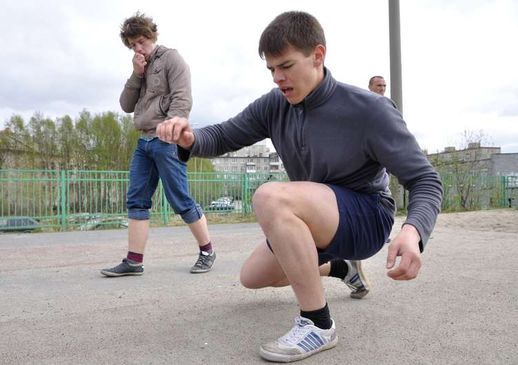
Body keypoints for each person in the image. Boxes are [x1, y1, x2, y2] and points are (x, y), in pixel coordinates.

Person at [157, 11, 442, 363]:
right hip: (314, 218)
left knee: (270, 196)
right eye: (271, 69)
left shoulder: (370, 110)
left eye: (286, 66)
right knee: (252, 277)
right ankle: (343, 269)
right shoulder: (275, 105)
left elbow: (425, 179)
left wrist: (413, 232)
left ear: (317, 56)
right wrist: (190, 137)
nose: (278, 78)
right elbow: (224, 134)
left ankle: (318, 324)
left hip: (367, 216)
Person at [101, 12, 216, 277]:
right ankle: (134, 261)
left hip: (167, 140)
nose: (138, 48)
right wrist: (136, 74)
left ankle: (207, 250)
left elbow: (182, 98)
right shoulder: (139, 69)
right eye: (132, 45)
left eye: (141, 41)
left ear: (152, 36)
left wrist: (173, 127)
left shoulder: (171, 59)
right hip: (144, 142)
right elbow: (126, 105)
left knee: (180, 199)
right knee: (137, 200)